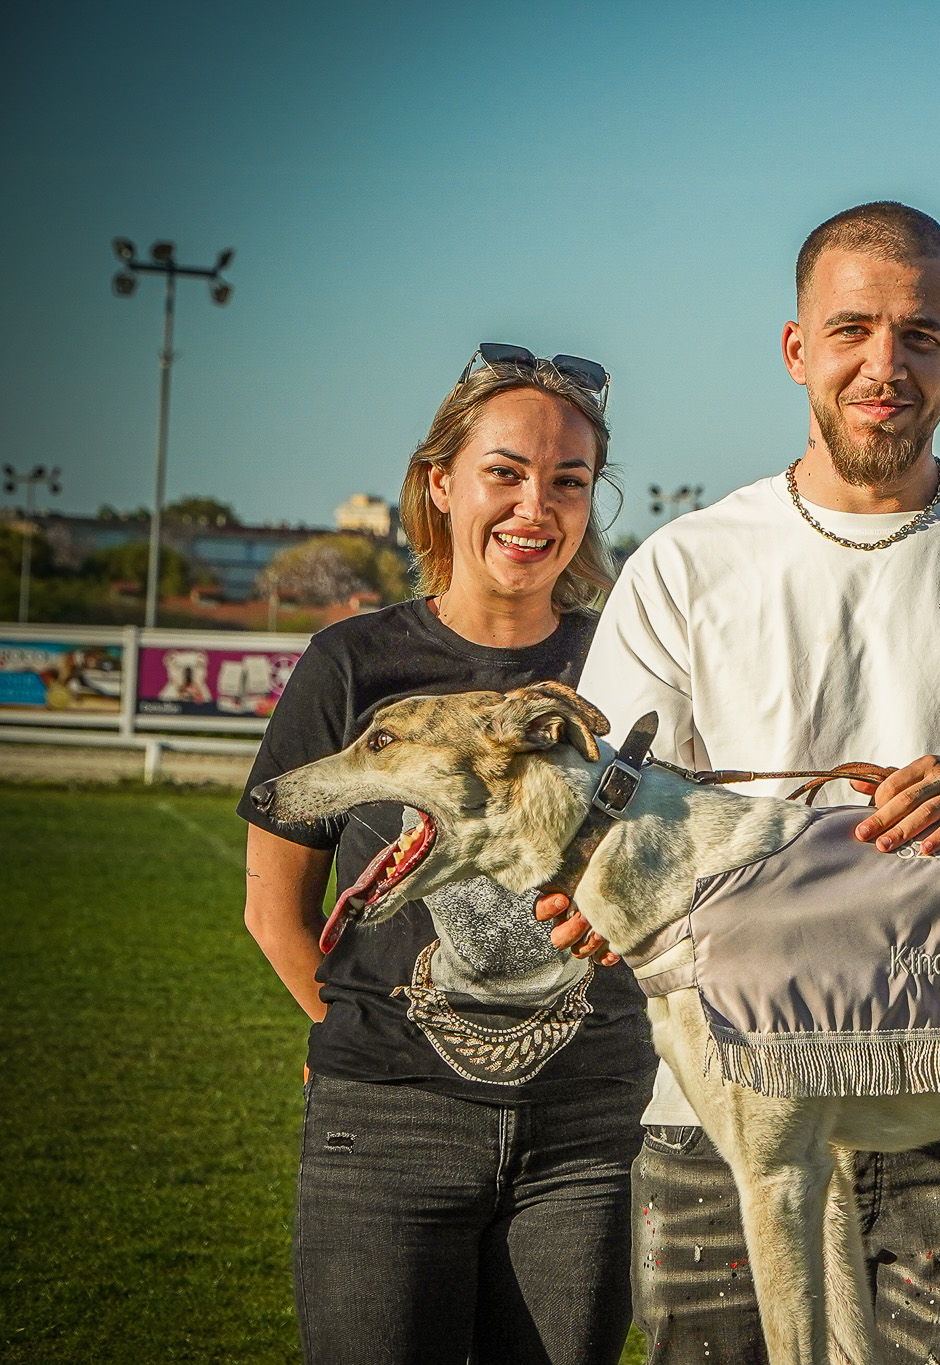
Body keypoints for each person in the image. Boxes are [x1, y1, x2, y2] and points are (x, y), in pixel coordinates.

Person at [558, 201, 940, 1364]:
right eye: (851, 330)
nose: (884, 366)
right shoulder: (686, 563)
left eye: (918, 336)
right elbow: (611, 808)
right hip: (721, 1109)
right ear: (796, 347)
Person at [238, 347, 657, 1362]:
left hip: (591, 1134)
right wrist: (360, 1036)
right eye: (504, 472)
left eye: (567, 481)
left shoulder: (635, 664)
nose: (534, 507)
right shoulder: (352, 662)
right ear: (440, 483)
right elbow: (272, 907)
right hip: (387, 1127)